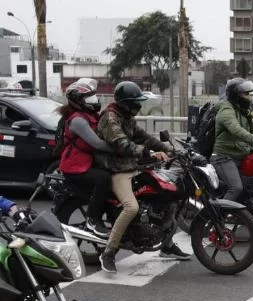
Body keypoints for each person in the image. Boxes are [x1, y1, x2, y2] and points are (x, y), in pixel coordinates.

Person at [96, 81, 189, 273]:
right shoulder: (110, 118)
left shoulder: (127, 117)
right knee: (131, 207)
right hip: (116, 169)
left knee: (167, 197)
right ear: (125, 102)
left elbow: (145, 137)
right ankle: (109, 252)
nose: (139, 107)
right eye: (135, 103)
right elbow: (121, 143)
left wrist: (171, 149)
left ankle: (166, 244)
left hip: (132, 165)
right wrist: (148, 153)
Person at [57, 78, 113, 238]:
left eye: (93, 97)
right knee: (103, 179)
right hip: (74, 166)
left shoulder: (90, 115)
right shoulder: (78, 120)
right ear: (77, 102)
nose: (94, 101)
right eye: (89, 99)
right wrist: (123, 148)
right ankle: (93, 219)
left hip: (87, 163)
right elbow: (98, 144)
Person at [212, 78, 253, 202]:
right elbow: (236, 130)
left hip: (241, 155)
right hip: (224, 157)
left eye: (250, 94)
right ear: (236, 95)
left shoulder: (243, 111)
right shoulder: (226, 110)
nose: (249, 97)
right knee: (236, 188)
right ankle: (219, 217)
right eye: (246, 94)